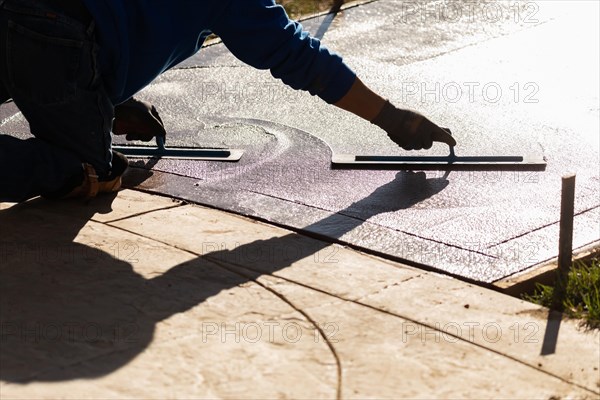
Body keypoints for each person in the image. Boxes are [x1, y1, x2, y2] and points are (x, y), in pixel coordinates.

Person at [0, 0, 455, 203]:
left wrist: (113, 99)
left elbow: (119, 14)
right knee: (91, 172)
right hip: (49, 31)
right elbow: (294, 54)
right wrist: (388, 117)